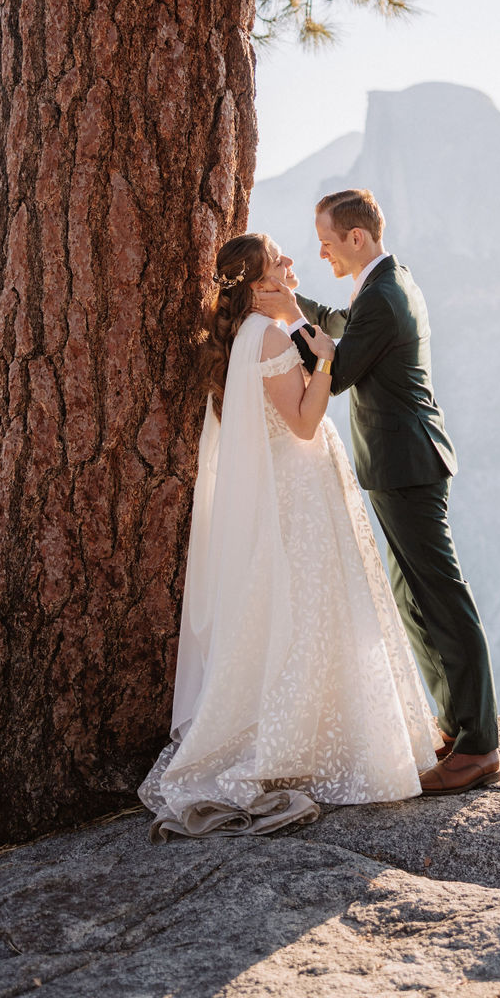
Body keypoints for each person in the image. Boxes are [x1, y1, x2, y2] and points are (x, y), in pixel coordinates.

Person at [139, 231, 438, 841]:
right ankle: (312, 737)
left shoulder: (248, 334)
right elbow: (304, 424)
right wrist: (325, 358)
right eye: (280, 260)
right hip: (298, 488)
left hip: (286, 485)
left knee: (305, 609)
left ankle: (319, 722)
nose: (293, 263)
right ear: (259, 283)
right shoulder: (270, 337)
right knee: (315, 608)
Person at [256, 188, 500, 795]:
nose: (319, 251)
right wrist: (295, 308)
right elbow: (344, 329)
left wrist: (269, 343)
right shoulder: (386, 283)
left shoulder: (386, 296)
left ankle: (479, 746)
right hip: (403, 464)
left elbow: (337, 369)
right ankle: (456, 726)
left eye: (327, 241)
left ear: (356, 238)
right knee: (414, 594)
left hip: (407, 464)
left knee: (441, 597)